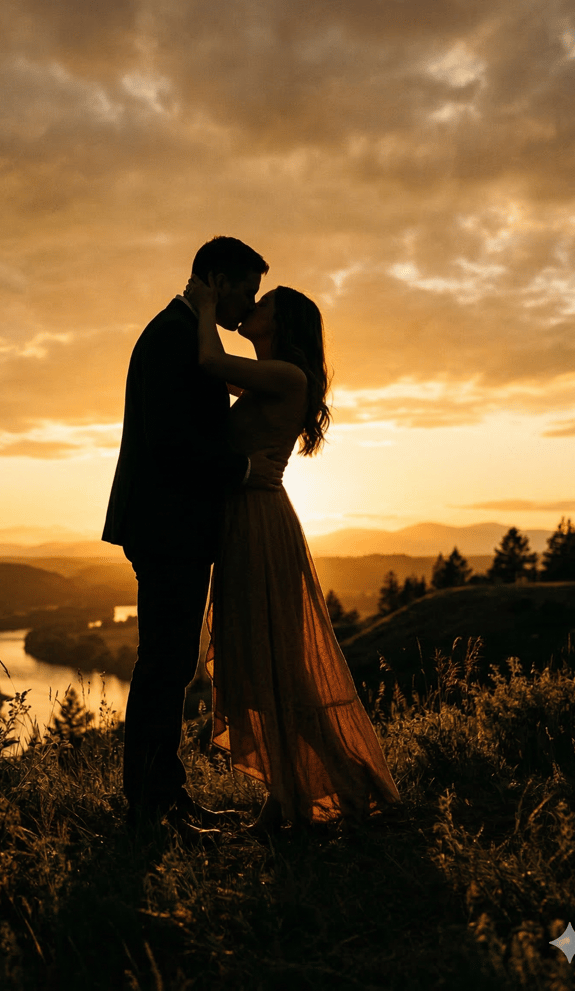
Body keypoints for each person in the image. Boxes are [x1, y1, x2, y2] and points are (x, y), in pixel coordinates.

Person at [183, 273, 402, 833]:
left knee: (280, 666)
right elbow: (211, 374)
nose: (251, 306)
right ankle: (284, 799)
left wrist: (204, 304)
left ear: (280, 324)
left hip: (260, 524)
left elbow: (209, 361)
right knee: (260, 666)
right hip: (245, 521)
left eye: (263, 303)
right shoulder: (266, 379)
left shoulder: (286, 375)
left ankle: (344, 783)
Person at [102, 236, 288, 833]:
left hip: (173, 525)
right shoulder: (171, 338)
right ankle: (151, 806)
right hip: (166, 527)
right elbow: (172, 443)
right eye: (247, 291)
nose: (248, 304)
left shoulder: (188, 334)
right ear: (218, 281)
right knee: (164, 664)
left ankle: (163, 795)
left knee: (172, 662)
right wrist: (244, 469)